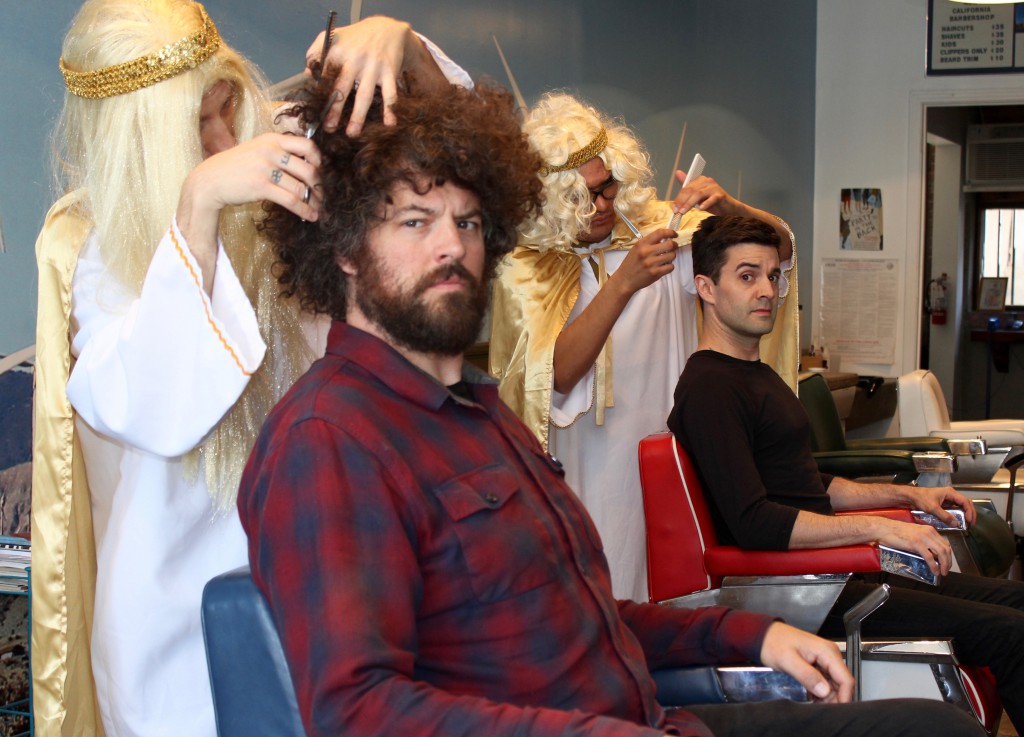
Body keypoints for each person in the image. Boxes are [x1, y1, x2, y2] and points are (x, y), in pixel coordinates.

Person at [239, 82, 984, 737]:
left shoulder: (483, 416)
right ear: (343, 249)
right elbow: (358, 712)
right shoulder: (329, 439)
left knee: (931, 726)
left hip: (650, 711)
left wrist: (750, 634)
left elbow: (588, 617)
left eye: (467, 222)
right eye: (414, 221)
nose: (451, 247)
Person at [32, 2, 467, 736]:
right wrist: (198, 205)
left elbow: (459, 151)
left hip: (332, 591)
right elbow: (153, 409)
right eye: (192, 125)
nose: (222, 138)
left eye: (226, 105)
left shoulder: (287, 161)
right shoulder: (92, 249)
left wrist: (399, 46)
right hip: (173, 641)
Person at [667, 214, 1024, 732]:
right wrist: (881, 529)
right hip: (803, 594)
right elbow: (756, 522)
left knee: (1017, 602)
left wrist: (907, 500)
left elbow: (807, 484)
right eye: (747, 276)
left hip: (832, 574)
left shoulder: (756, 376)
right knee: (1011, 633)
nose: (767, 290)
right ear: (706, 288)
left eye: (773, 275)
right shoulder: (710, 389)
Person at [489, 93, 800, 601]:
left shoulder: (665, 231)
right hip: (583, 466)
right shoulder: (524, 266)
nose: (602, 205)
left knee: (674, 590)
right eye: (583, 197)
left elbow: (777, 251)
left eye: (607, 186)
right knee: (599, 594)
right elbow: (553, 376)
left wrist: (731, 208)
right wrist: (624, 282)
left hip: (669, 451)